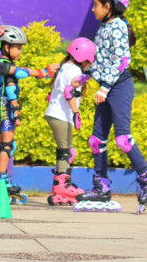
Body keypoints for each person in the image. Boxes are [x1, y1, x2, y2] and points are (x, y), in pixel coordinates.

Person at [75, 0, 147, 213]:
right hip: (107, 86)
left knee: (123, 139)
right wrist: (84, 78)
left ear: (108, 6)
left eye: (96, 5)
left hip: (119, 87)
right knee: (96, 140)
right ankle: (101, 186)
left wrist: (105, 88)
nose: (92, 10)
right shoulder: (104, 27)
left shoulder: (118, 26)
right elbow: (102, 61)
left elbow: (122, 61)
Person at [0, 25, 57, 199]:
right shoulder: (7, 66)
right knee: (7, 145)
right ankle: (3, 180)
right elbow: (11, 89)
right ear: (6, 47)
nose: (21, 51)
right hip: (5, 108)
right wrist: (16, 111)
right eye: (18, 47)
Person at [45, 37, 95, 206]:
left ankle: (62, 184)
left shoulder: (65, 67)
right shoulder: (75, 72)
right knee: (65, 152)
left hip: (55, 113)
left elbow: (54, 91)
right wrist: (76, 113)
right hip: (62, 115)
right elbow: (69, 93)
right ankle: (62, 187)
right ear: (85, 58)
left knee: (67, 151)